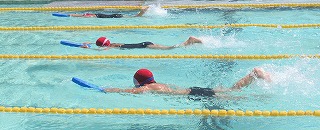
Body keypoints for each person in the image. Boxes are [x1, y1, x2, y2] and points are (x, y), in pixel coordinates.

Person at [103, 68, 271, 95]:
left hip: (196, 94)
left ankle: (255, 74)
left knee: (234, 94)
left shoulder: (149, 87)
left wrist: (109, 90)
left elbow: (134, 91)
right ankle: (254, 74)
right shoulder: (157, 83)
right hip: (193, 90)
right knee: (230, 91)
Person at [83, 36, 203, 50]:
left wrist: (88, 48)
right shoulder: (113, 43)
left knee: (169, 48)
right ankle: (189, 41)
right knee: (167, 48)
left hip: (145, 46)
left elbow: (103, 49)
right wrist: (91, 43)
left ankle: (189, 41)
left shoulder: (111, 47)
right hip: (144, 43)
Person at [69, 6, 149, 18]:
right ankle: (140, 14)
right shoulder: (95, 15)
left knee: (132, 17)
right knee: (130, 17)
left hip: (113, 16)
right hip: (113, 16)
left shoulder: (92, 16)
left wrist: (71, 15)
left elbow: (83, 16)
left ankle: (140, 14)